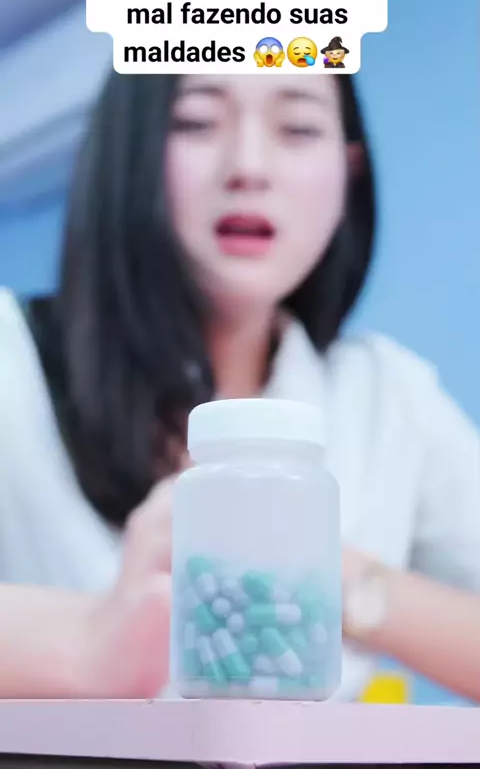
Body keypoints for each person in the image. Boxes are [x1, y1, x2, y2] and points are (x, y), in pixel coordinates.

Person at [0, 72, 479, 701]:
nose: (249, 168)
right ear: (128, 150)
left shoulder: (387, 394)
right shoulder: (12, 358)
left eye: (298, 128)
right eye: (196, 122)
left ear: (349, 167)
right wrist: (90, 641)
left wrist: (340, 578)